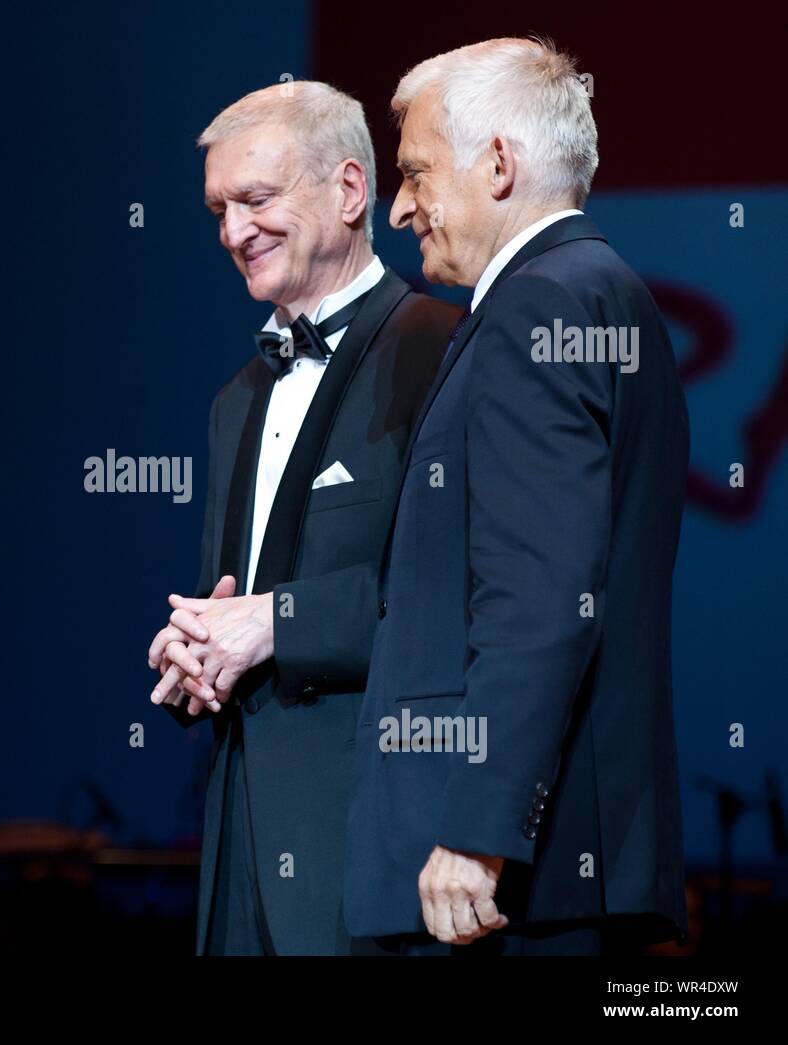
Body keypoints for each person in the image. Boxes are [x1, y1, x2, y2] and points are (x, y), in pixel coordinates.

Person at [343, 38, 689, 954]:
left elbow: (541, 596)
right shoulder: (602, 289)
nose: (400, 204)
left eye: (416, 171)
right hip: (564, 862)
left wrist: (479, 828)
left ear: (498, 163)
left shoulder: (539, 305)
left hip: (503, 887)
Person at [147, 82, 461, 954]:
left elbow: (464, 593)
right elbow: (235, 598)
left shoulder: (443, 349)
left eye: (256, 199)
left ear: (350, 192)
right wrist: (198, 649)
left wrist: (274, 623)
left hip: (372, 847)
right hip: (236, 849)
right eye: (219, 209)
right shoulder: (234, 399)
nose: (232, 231)